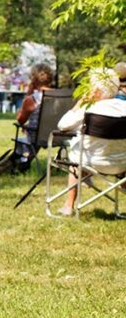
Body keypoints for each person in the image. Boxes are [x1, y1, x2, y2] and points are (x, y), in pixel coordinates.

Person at [54, 66, 126, 216]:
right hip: (121, 165)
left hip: (91, 162)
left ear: (96, 90)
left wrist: (80, 102)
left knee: (76, 157)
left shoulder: (90, 108)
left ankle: (69, 206)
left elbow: (62, 126)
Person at [0, 63, 54, 175]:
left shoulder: (32, 99)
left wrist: (29, 93)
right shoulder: (60, 96)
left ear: (33, 79)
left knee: (23, 141)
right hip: (55, 136)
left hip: (36, 136)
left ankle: (14, 165)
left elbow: (20, 120)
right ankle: (18, 164)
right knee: (25, 140)